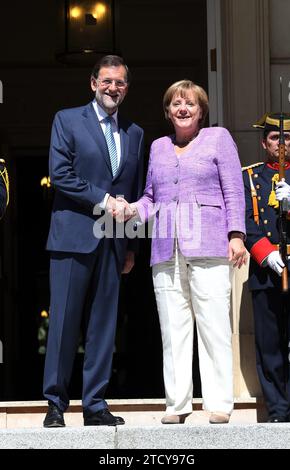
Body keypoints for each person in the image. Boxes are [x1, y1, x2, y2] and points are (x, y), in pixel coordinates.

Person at [115, 80, 246, 424]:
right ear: (168, 111)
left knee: (214, 326)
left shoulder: (218, 139)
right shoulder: (158, 147)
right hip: (165, 249)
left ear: (201, 110)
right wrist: (130, 210)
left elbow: (233, 189)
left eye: (189, 103)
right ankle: (177, 404)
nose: (182, 108)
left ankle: (219, 403)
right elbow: (150, 198)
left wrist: (236, 235)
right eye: (176, 103)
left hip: (210, 243)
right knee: (173, 329)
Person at [43, 55, 144, 427]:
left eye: (119, 82)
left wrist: (131, 245)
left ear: (126, 88)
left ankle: (95, 404)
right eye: (106, 81)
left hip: (114, 242)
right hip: (73, 237)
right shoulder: (67, 120)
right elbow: (60, 175)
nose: (112, 88)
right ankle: (55, 403)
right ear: (93, 83)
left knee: (104, 325)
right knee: (65, 323)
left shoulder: (134, 133)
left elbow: (131, 190)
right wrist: (103, 200)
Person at [243, 112, 290, 423]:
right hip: (266, 270)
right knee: (269, 345)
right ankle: (277, 410)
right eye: (275, 138)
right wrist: (265, 253)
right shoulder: (250, 177)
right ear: (264, 142)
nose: (281, 144)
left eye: (286, 138)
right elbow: (244, 222)